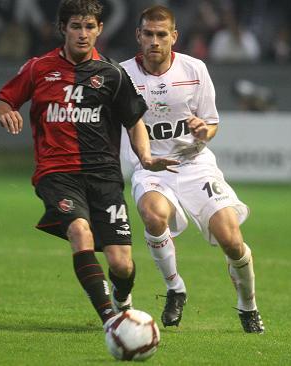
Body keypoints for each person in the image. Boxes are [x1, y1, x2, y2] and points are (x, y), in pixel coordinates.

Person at [0, 0, 178, 330]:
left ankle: (123, 301)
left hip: (104, 178)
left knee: (122, 265)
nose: (83, 34)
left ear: (100, 30)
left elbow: (133, 119)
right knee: (81, 232)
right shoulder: (39, 68)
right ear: (62, 28)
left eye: (90, 27)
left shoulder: (112, 74)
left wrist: (145, 157)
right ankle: (111, 321)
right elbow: (6, 98)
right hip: (57, 174)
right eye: (76, 26)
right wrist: (5, 111)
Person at [120, 5, 265, 333]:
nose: (154, 41)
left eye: (161, 35)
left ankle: (248, 306)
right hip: (151, 166)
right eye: (148, 34)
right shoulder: (122, 75)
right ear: (138, 36)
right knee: (153, 214)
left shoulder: (195, 69)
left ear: (174, 36)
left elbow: (211, 123)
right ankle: (175, 288)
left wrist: (203, 131)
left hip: (195, 164)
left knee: (231, 239)